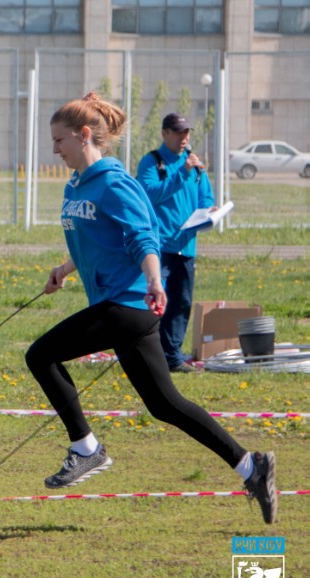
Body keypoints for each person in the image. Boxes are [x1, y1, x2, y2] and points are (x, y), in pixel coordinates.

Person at [24, 91, 277, 524]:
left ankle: (86, 449)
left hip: (128, 305)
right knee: (165, 404)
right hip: (118, 305)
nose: (54, 149)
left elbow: (143, 239)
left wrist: (157, 280)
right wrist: (65, 269)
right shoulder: (78, 183)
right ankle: (251, 466)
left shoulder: (116, 182)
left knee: (40, 355)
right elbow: (97, 238)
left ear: (84, 136)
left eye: (59, 140)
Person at [136, 113, 213, 373]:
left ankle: (172, 355)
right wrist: (181, 172)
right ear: (164, 133)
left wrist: (210, 212)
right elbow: (148, 195)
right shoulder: (152, 162)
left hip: (186, 245)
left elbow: (206, 198)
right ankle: (145, 352)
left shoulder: (195, 167)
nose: (184, 138)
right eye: (179, 132)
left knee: (181, 302)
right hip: (159, 247)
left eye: (187, 132)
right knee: (154, 302)